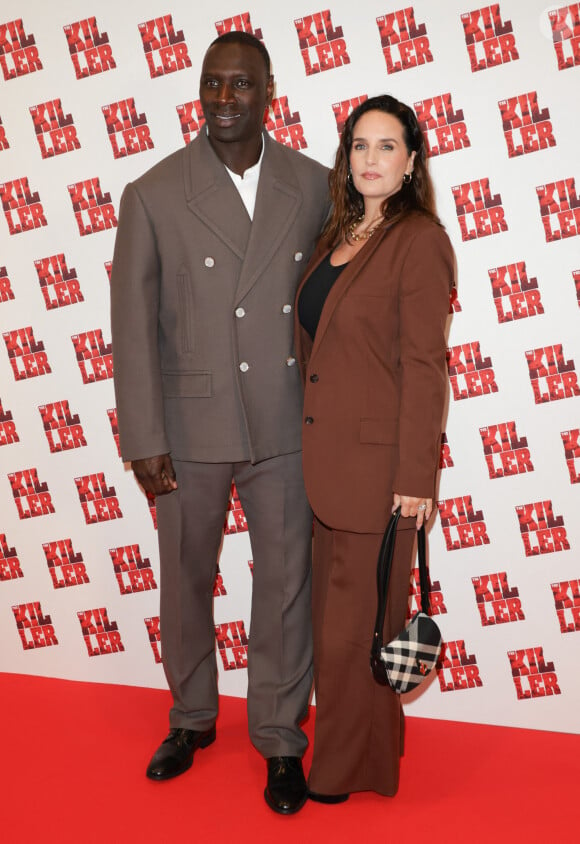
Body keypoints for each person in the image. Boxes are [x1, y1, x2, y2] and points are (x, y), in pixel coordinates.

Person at [110, 31, 329, 815]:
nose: (225, 99)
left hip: (284, 420)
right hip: (187, 424)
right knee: (185, 579)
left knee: (283, 585)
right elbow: (131, 327)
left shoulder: (314, 186)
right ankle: (193, 718)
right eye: (213, 84)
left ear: (269, 92)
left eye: (241, 85)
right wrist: (144, 439)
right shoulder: (155, 193)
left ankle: (278, 736)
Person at [294, 94, 454, 801]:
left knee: (352, 634)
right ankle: (374, 759)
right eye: (360, 145)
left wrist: (417, 476)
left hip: (378, 473)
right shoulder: (340, 233)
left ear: (412, 160)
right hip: (324, 468)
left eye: (387, 146)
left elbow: (427, 364)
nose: (370, 159)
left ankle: (339, 773)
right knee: (351, 627)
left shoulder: (419, 239)